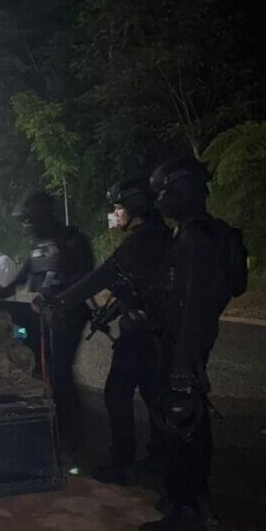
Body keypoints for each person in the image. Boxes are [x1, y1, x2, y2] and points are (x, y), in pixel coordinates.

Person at [139, 157, 244, 531]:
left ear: (183, 191)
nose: (159, 201)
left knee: (180, 427)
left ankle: (187, 512)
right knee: (189, 426)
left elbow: (197, 305)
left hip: (184, 347)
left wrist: (184, 362)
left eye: (164, 192)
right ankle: (189, 500)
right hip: (180, 343)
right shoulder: (187, 233)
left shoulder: (196, 238)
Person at [47, 175, 172, 486]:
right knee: (154, 395)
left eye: (119, 207)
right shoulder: (161, 236)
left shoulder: (139, 243)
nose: (115, 214)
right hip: (159, 331)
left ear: (135, 206)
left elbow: (101, 277)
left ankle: (122, 462)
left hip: (140, 334)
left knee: (117, 395)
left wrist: (59, 301)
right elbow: (136, 287)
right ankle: (161, 457)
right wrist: (111, 311)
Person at [0, 191, 94, 459]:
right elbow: (19, 280)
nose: (26, 225)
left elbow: (85, 280)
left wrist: (58, 301)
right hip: (43, 316)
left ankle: (73, 433)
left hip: (68, 316)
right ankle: (55, 425)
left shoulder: (73, 240)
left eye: (29, 219)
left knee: (60, 373)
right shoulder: (39, 244)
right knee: (43, 371)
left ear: (43, 215)